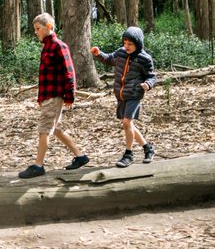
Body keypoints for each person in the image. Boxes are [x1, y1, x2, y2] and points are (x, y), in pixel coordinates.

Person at [19, 13, 89, 179]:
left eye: (38, 28)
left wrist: (70, 96)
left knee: (44, 129)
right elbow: (45, 77)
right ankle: (80, 156)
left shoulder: (59, 46)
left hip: (55, 95)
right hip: (47, 96)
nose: (36, 32)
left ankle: (38, 165)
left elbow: (69, 72)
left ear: (49, 27)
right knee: (55, 129)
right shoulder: (46, 47)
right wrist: (40, 99)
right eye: (34, 29)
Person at [91, 26, 157, 167]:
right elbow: (109, 59)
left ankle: (128, 154)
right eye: (125, 43)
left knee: (127, 122)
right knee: (129, 124)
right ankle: (148, 148)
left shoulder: (144, 59)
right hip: (121, 94)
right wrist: (98, 54)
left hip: (134, 94)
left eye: (130, 44)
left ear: (138, 44)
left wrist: (148, 84)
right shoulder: (121, 53)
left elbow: (151, 76)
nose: (126, 46)